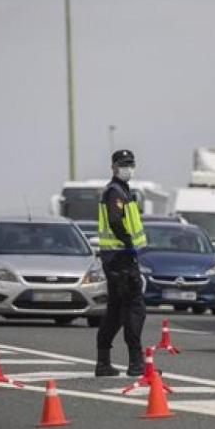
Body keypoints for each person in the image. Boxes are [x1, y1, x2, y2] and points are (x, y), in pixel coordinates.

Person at [95, 150, 148, 377]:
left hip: (116, 259)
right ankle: (136, 363)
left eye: (130, 163)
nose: (128, 167)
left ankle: (103, 362)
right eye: (123, 164)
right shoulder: (115, 191)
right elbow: (116, 222)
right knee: (135, 309)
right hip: (121, 258)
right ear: (114, 167)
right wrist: (128, 243)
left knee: (116, 311)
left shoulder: (122, 191)